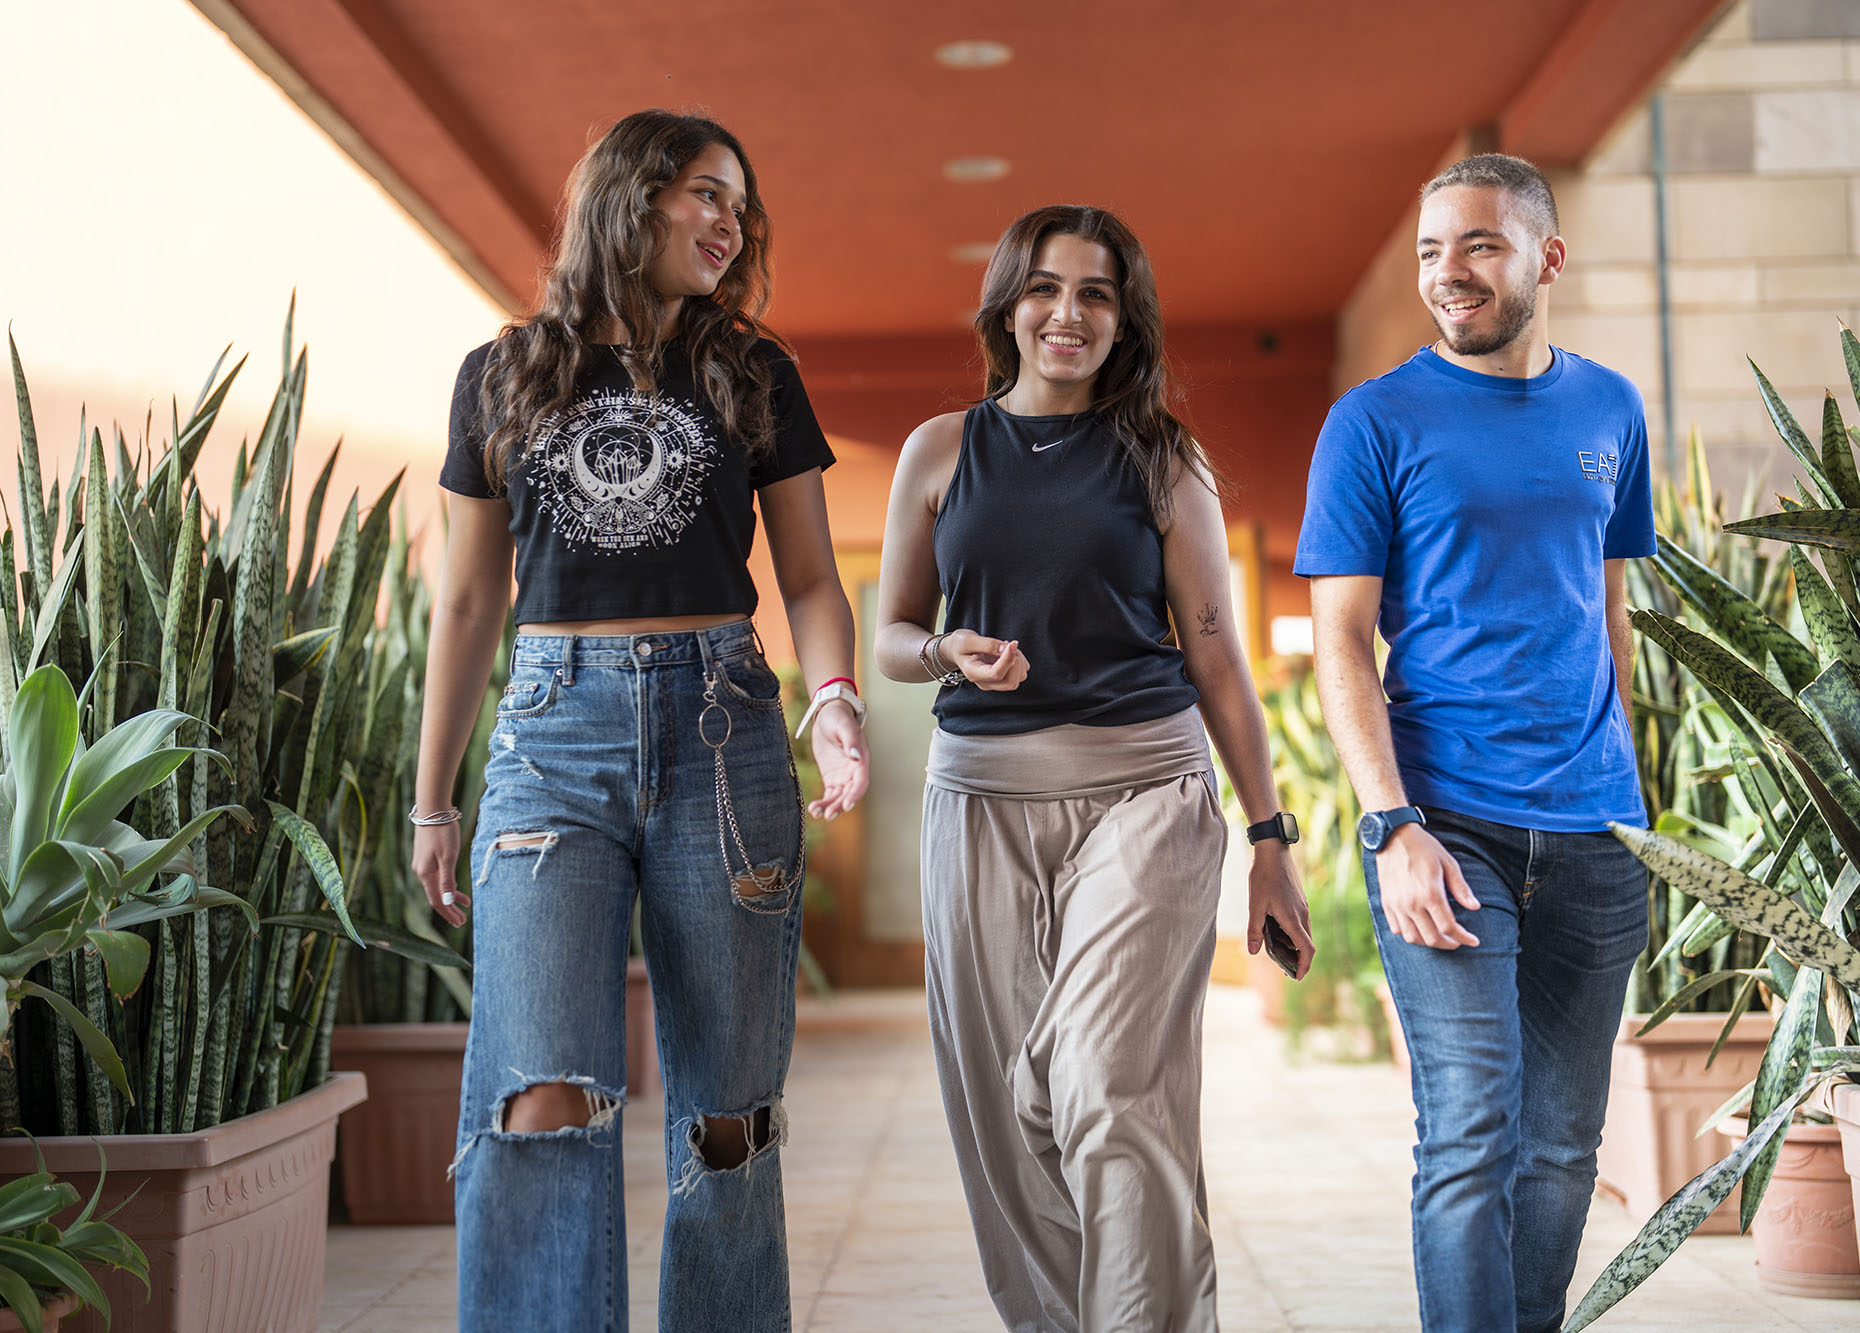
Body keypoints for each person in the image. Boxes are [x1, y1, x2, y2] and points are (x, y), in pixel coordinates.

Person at [410, 109, 870, 1332]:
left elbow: (815, 579)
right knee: (539, 1093)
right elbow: (464, 600)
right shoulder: (503, 372)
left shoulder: (753, 371)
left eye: (740, 206)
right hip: (552, 735)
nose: (730, 224)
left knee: (728, 1117)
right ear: (631, 196)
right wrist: (431, 797)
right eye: (706, 195)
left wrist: (834, 707)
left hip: (723, 726)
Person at [875, 203, 1315, 1333]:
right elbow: (890, 633)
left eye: (1096, 293)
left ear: (1125, 321)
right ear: (1007, 306)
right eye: (1045, 288)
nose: (1067, 313)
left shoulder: (1161, 459)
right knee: (1003, 1112)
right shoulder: (939, 450)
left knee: (1109, 1090)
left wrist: (1270, 844)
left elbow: (1215, 651)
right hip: (976, 803)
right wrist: (942, 651)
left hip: (1144, 795)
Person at [1296, 152, 1656, 1332]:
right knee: (1468, 1132)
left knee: (1560, 1147)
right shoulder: (1373, 422)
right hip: (1445, 824)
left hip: (1597, 831)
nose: (1447, 274)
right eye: (1429, 251)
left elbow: (1605, 614)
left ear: (1545, 259)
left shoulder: (1609, 407)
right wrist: (1389, 824)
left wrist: (1634, 794)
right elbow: (1340, 639)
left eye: (1479, 246)